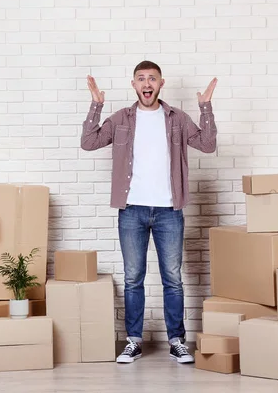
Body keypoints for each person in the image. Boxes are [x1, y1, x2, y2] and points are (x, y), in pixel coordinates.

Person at [80, 60, 217, 364]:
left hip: (169, 210)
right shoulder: (121, 119)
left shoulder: (177, 119)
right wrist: (96, 106)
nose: (147, 83)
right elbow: (89, 142)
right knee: (133, 278)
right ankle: (133, 341)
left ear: (160, 83)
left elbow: (207, 145)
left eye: (152, 78)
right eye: (141, 78)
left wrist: (205, 107)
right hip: (132, 210)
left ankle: (177, 341)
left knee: (173, 278)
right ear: (134, 85)